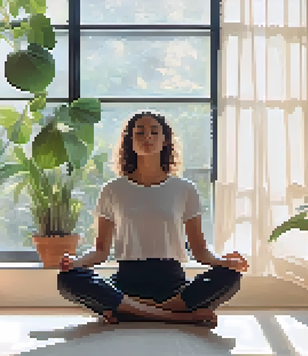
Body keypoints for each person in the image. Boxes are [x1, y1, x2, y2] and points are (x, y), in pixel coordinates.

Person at [57, 111, 249, 327]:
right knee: (67, 279)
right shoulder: (112, 190)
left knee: (230, 277)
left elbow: (200, 251)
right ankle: (177, 316)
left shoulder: (184, 189)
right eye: (139, 132)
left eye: (154, 132)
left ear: (165, 140)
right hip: (126, 283)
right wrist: (75, 263)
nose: (147, 137)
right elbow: (100, 251)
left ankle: (131, 310)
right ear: (130, 140)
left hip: (173, 286)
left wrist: (225, 262)